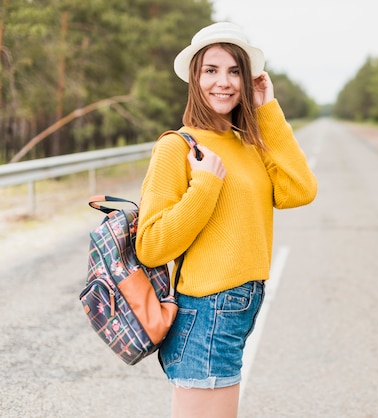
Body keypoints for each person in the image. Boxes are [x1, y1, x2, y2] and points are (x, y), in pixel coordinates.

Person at [136, 22, 318, 418]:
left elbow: (299, 189)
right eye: (212, 70)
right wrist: (203, 187)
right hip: (206, 311)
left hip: (237, 307)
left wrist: (267, 110)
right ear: (194, 78)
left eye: (235, 71)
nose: (225, 82)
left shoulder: (245, 144)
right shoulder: (177, 148)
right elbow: (150, 247)